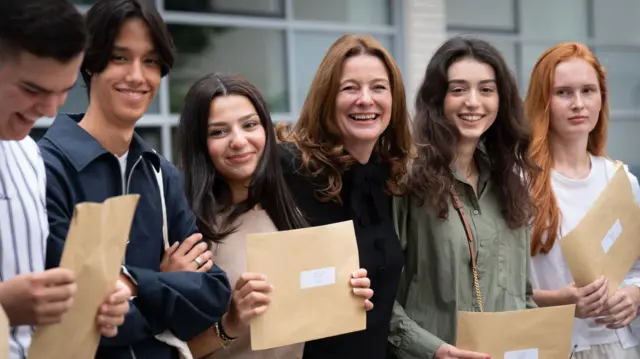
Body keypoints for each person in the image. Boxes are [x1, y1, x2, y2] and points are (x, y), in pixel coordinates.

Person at [37, 1, 231, 358]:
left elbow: (212, 296)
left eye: (151, 61)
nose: (138, 77)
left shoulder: (160, 173)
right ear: (90, 62)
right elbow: (79, 313)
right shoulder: (47, 170)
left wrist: (133, 284)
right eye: (120, 57)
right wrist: (165, 283)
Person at [170, 72, 374, 359]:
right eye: (219, 131)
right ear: (199, 143)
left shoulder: (289, 207)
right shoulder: (185, 230)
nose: (239, 141)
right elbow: (166, 350)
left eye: (250, 125)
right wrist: (231, 323)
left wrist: (343, 294)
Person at [388, 36, 538, 359]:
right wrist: (432, 350)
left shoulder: (510, 184)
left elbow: (522, 294)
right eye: (458, 90)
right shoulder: (405, 181)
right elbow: (379, 298)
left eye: (486, 90)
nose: (473, 102)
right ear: (437, 99)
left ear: (501, 99)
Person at [0, 1, 131, 358]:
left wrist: (93, 305)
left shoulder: (29, 155)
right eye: (32, 90)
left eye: (64, 90)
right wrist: (4, 306)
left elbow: (39, 286)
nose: (50, 109)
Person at [276, 34, 412, 359]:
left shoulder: (387, 177)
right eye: (349, 88)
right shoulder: (287, 170)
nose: (365, 100)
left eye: (378, 87)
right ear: (326, 97)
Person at [526, 42, 640, 359]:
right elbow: (496, 285)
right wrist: (558, 300)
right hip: (547, 348)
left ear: (601, 98)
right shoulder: (518, 183)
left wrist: (634, 295)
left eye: (588, 90)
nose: (579, 103)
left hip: (618, 347)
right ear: (542, 101)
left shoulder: (620, 181)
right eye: (563, 92)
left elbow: (636, 267)